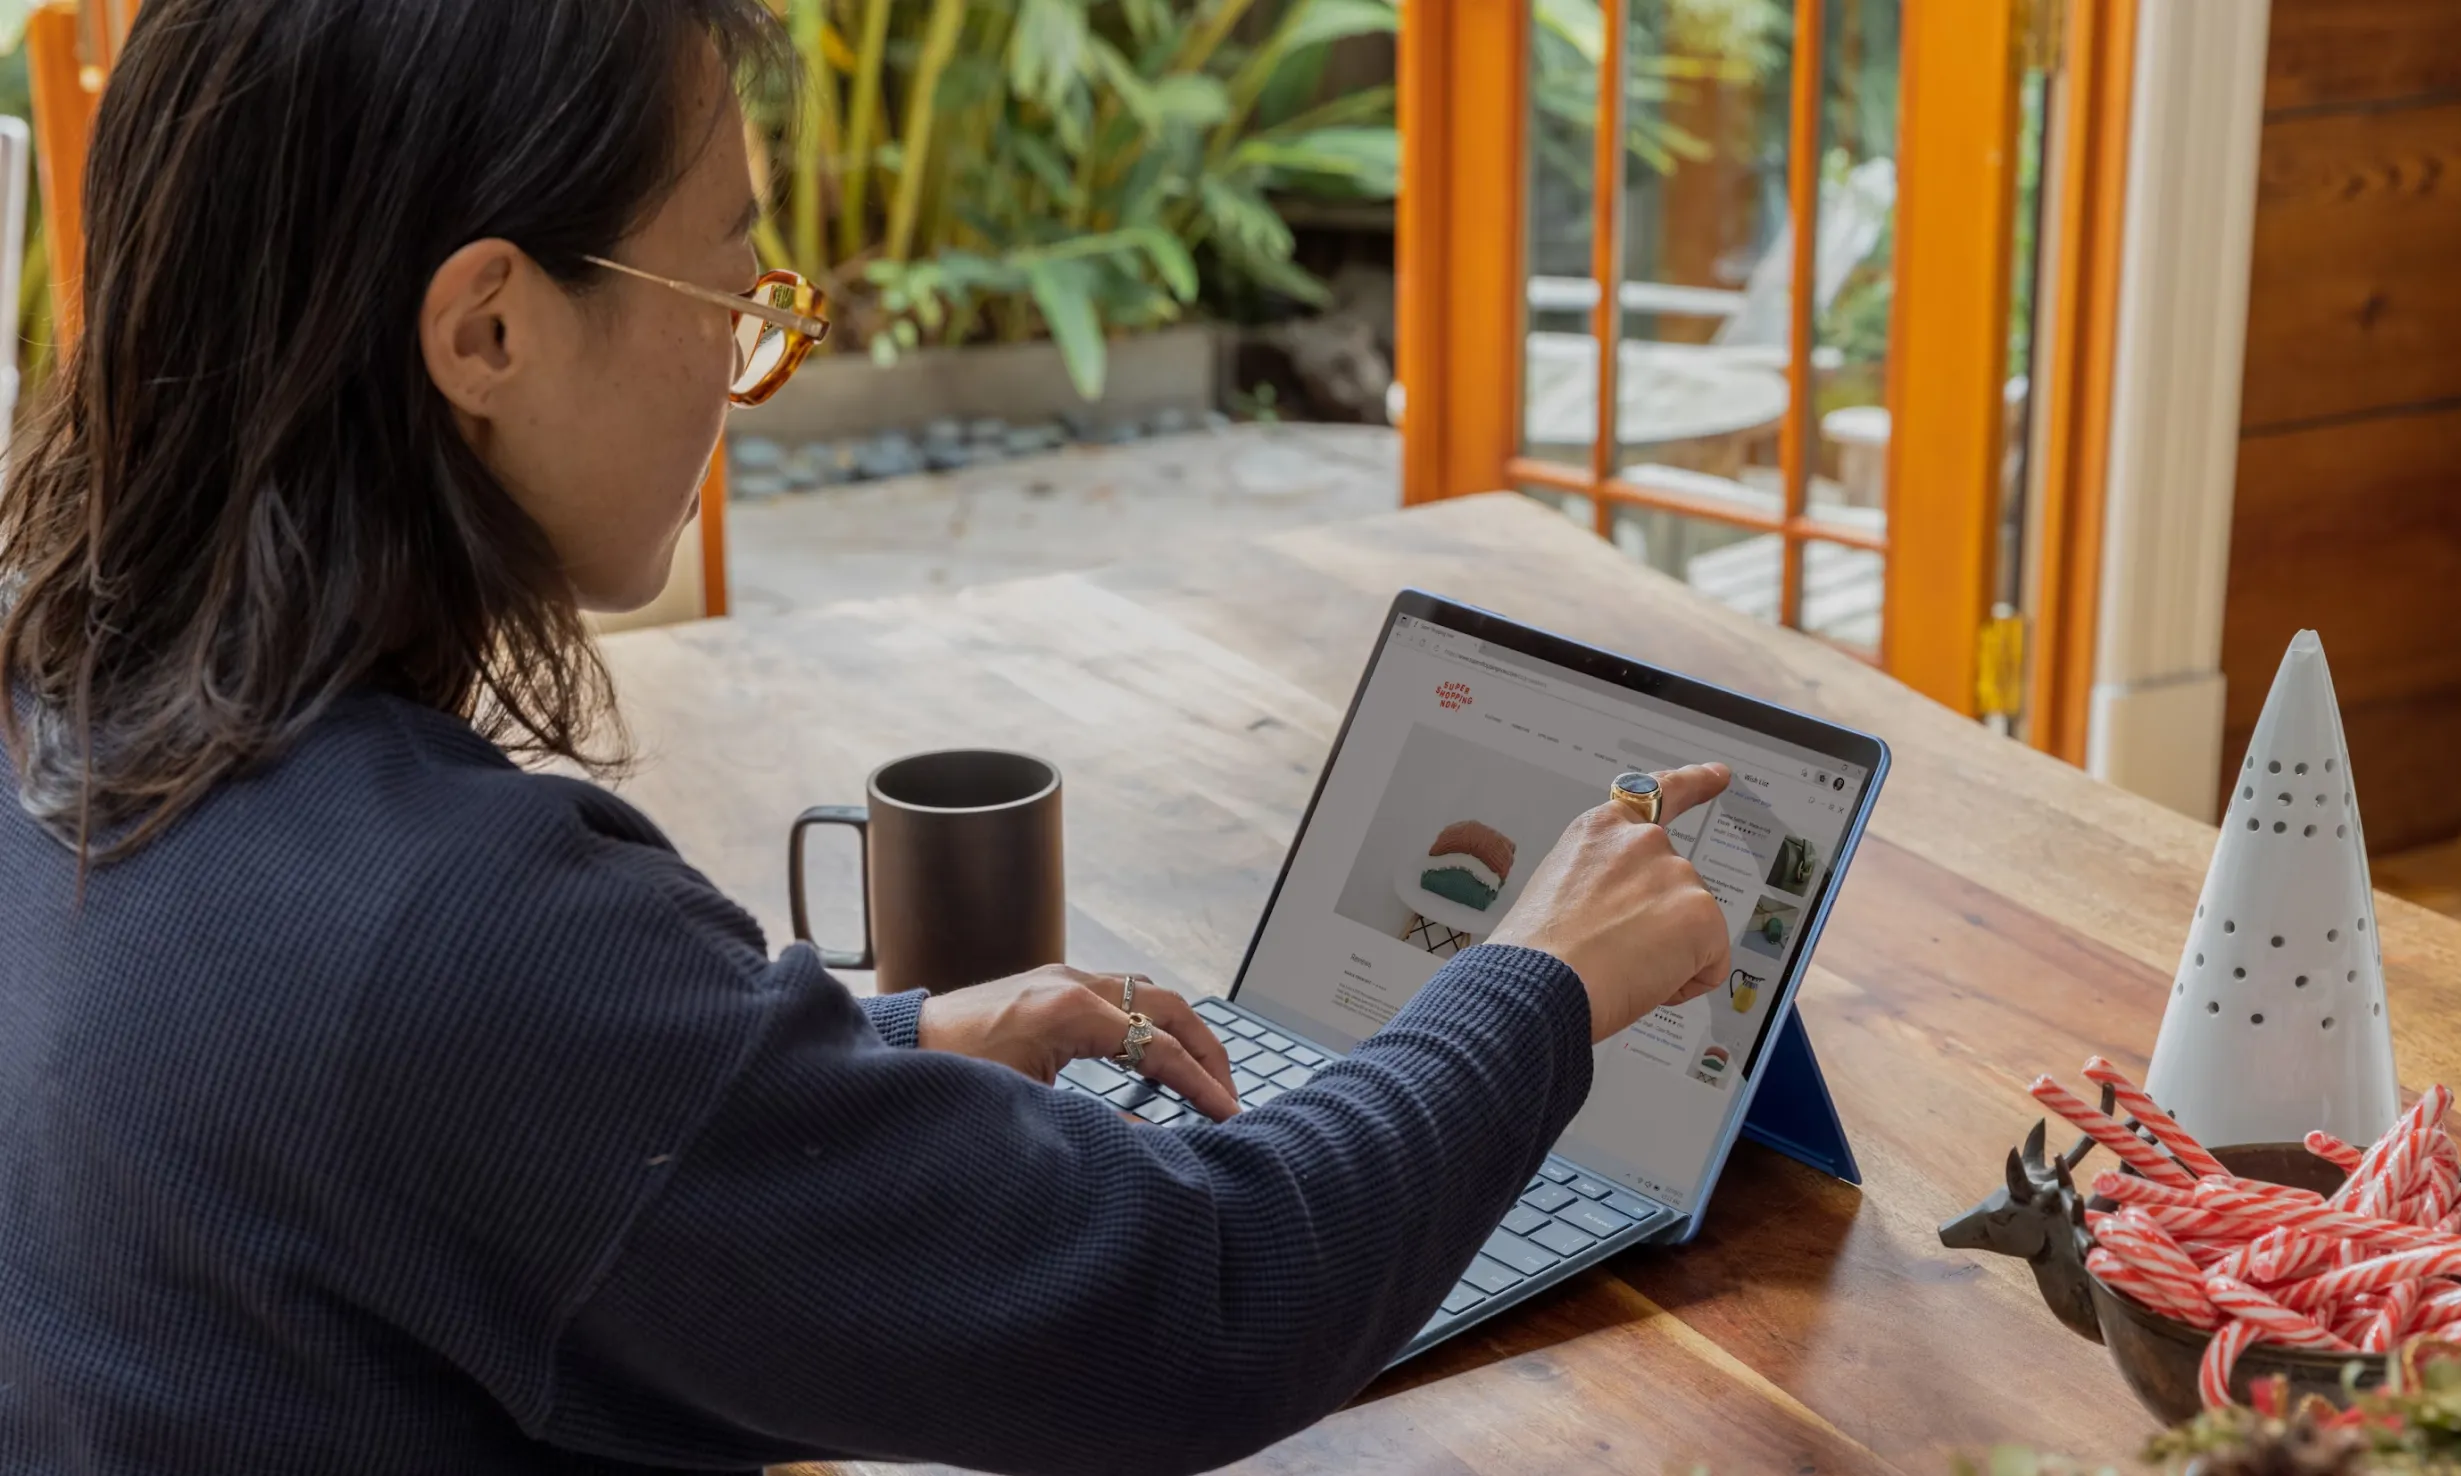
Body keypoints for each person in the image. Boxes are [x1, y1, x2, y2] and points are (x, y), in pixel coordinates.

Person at [0, 3, 1736, 1472]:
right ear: (489, 330)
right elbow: (1201, 1300)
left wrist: (874, 1063)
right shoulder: (457, 930)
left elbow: (466, 1149)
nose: (740, 367)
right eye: (727, 287)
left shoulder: (54, 706)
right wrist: (1541, 977)